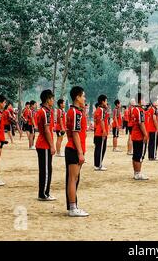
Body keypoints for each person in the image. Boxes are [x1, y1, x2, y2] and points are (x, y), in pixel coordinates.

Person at [65, 86, 89, 217]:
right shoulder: (75, 113)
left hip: (75, 148)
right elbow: (75, 134)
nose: (84, 98)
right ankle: (73, 208)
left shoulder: (77, 112)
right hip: (74, 149)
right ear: (77, 97)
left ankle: (73, 206)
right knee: (73, 179)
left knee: (73, 179)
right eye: (83, 96)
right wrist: (80, 153)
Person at [36, 90, 57, 201]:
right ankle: (43, 194)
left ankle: (44, 192)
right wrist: (52, 146)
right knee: (46, 170)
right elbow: (47, 130)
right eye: (52, 98)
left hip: (43, 144)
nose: (53, 101)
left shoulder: (43, 111)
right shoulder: (46, 112)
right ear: (48, 99)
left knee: (46, 169)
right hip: (44, 145)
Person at [130, 93, 149, 180]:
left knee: (135, 154)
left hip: (134, 135)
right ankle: (138, 173)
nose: (145, 102)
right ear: (140, 100)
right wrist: (145, 134)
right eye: (144, 100)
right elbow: (141, 123)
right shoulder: (140, 110)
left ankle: (135, 172)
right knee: (140, 155)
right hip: (139, 136)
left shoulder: (134, 109)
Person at [93, 95, 109, 171]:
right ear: (103, 102)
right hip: (101, 132)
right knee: (101, 149)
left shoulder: (98, 109)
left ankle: (97, 164)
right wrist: (104, 130)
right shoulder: (101, 110)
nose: (107, 103)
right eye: (106, 101)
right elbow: (101, 120)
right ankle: (98, 165)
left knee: (98, 148)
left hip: (97, 132)